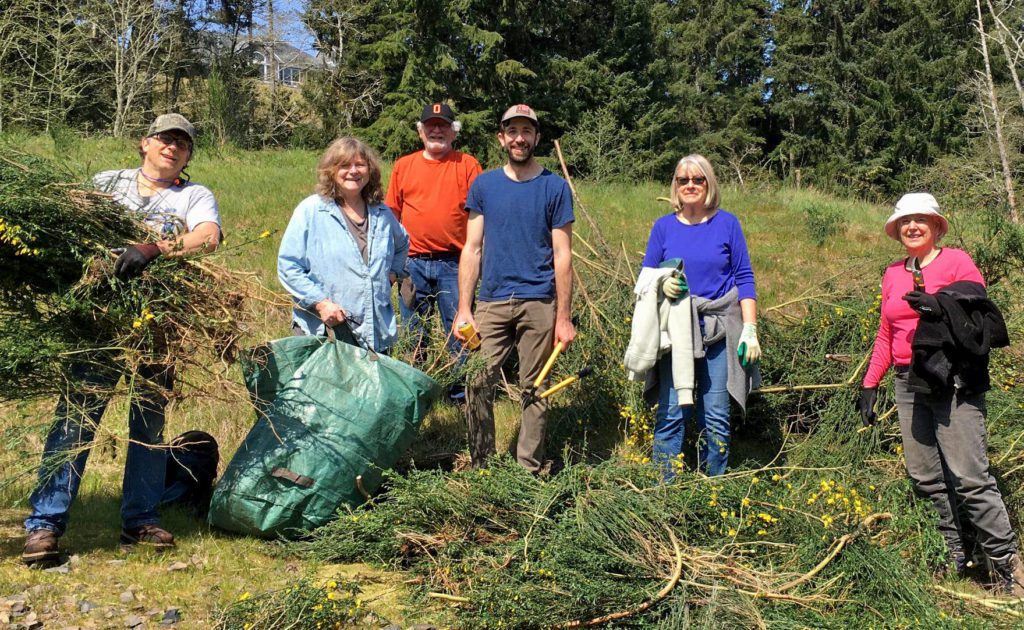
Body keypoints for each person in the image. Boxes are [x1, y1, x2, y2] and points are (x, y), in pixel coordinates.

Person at [23, 113, 221, 564]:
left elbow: (208, 237)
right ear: (144, 144)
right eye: (165, 140)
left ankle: (141, 521)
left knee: (148, 425)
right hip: (100, 321)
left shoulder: (193, 195)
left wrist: (154, 249)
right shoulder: (108, 182)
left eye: (182, 144)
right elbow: (68, 221)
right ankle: (44, 524)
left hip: (158, 327)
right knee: (75, 420)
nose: (173, 148)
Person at [858, 192, 1024, 595]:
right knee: (926, 477)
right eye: (905, 221)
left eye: (921, 220)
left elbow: (977, 306)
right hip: (907, 381)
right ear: (897, 230)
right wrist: (869, 381)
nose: (912, 226)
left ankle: (1006, 566)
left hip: (953, 381)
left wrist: (940, 304)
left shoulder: (956, 262)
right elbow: (887, 332)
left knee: (970, 476)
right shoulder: (893, 273)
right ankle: (952, 555)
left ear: (936, 226)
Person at [453, 104, 575, 473]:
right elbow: (472, 249)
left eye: (527, 131)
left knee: (535, 388)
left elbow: (562, 255)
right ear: (501, 138)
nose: (520, 138)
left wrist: (564, 317)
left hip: (539, 302)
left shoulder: (554, 188)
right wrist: (464, 308)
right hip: (490, 302)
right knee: (476, 382)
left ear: (537, 137)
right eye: (513, 131)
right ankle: (482, 465)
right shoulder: (485, 185)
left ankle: (528, 469)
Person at [627, 154, 760, 480]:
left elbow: (744, 277)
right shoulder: (663, 227)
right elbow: (645, 280)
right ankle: (665, 491)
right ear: (675, 186)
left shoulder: (727, 224)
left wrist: (750, 328)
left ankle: (712, 490)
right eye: (682, 180)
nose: (690, 185)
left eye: (697, 179)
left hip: (718, 330)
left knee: (714, 415)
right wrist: (662, 281)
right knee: (672, 413)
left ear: (709, 184)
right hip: (677, 333)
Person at [385, 102, 482, 401]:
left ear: (454, 132)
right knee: (414, 332)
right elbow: (391, 215)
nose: (436, 130)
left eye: (443, 125)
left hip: (455, 264)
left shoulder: (468, 165)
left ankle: (459, 389)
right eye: (430, 125)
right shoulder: (404, 166)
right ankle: (418, 389)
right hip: (412, 264)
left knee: (460, 329)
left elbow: (481, 215)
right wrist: (391, 263)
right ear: (420, 131)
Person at [278, 137, 409, 352]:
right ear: (331, 171)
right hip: (324, 331)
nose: (353, 171)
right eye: (345, 165)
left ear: (370, 170)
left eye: (360, 165)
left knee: (369, 386)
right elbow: (288, 266)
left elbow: (403, 244)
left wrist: (392, 275)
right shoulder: (311, 210)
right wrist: (320, 303)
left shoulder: (381, 213)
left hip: (374, 331)